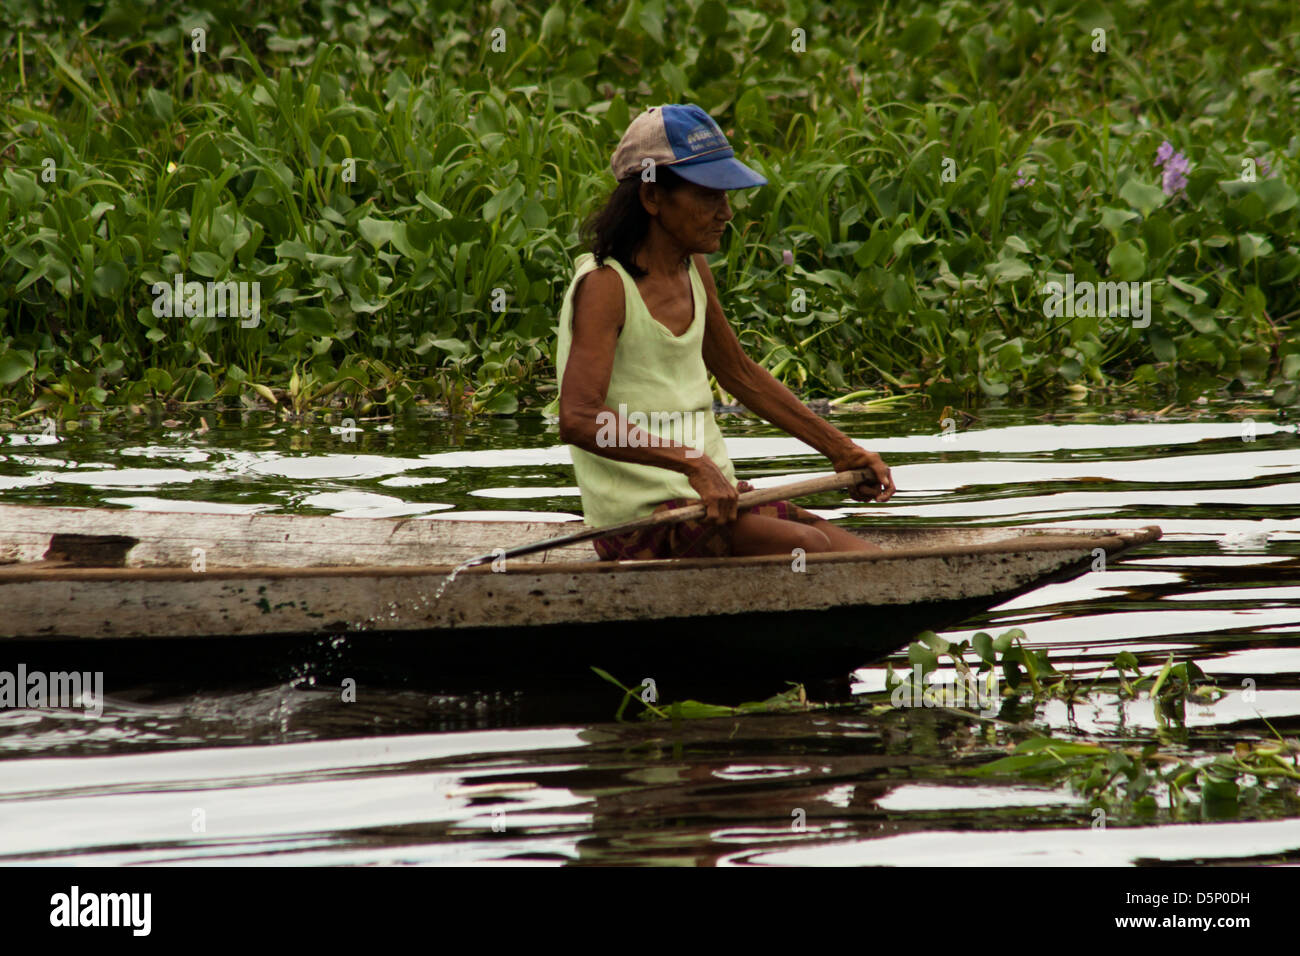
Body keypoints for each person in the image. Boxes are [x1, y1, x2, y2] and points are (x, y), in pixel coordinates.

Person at [556, 104, 895, 561]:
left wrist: (842, 450)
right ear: (653, 198)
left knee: (863, 557)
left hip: (718, 499)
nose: (727, 213)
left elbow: (740, 374)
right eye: (710, 196)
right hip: (642, 523)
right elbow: (579, 417)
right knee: (809, 549)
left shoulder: (692, 265)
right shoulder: (606, 286)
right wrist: (692, 463)